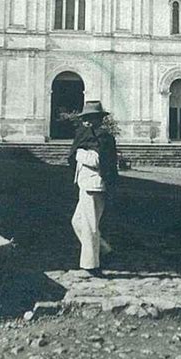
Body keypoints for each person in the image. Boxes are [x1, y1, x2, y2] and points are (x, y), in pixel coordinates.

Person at [69, 101, 118, 275]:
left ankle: (91, 265)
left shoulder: (102, 138)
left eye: (89, 118)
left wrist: (79, 154)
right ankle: (104, 249)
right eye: (85, 119)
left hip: (95, 185)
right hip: (86, 184)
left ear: (97, 119)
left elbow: (98, 161)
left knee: (89, 225)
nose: (86, 122)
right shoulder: (88, 137)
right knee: (77, 222)